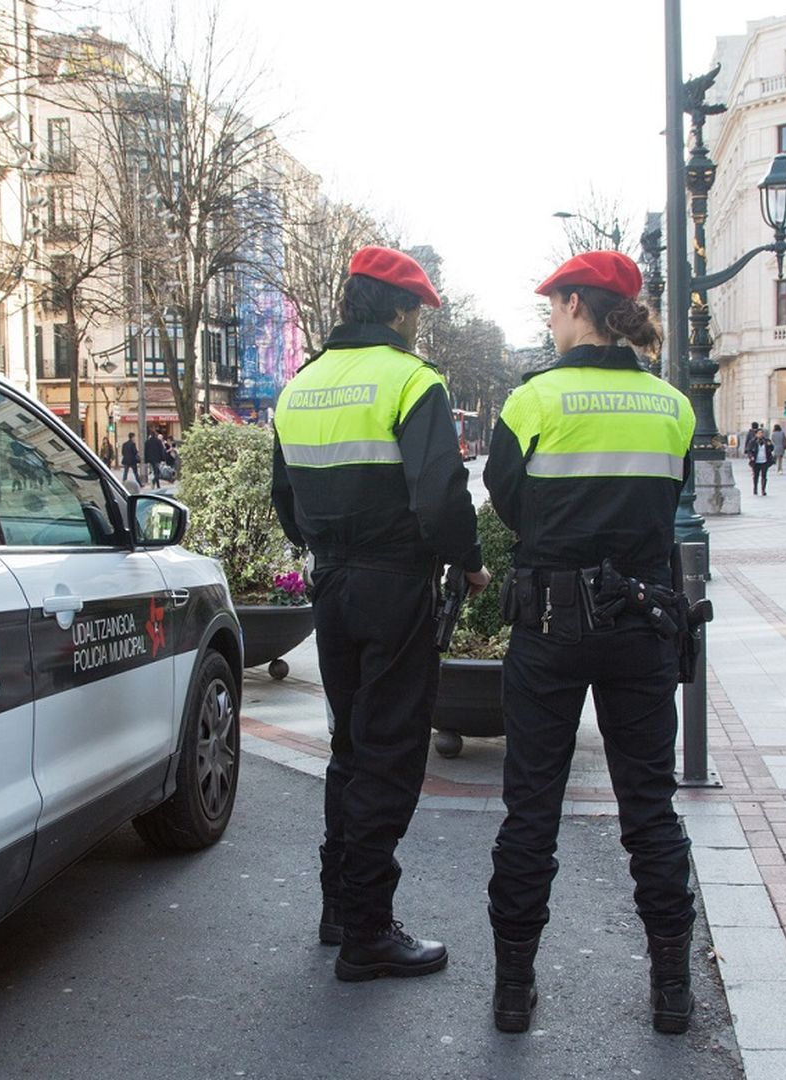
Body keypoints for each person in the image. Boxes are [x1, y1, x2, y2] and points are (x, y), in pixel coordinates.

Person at [484, 250, 697, 1036]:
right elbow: (669, 500)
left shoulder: (533, 397)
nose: (549, 318)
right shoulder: (672, 404)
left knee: (531, 808)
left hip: (548, 624)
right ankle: (672, 988)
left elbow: (508, 503)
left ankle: (513, 990)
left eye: (553, 305)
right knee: (650, 807)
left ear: (578, 306)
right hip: (641, 622)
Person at [271, 245, 486, 981]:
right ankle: (368, 929)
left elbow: (285, 500)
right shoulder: (411, 380)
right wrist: (470, 557)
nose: (420, 326)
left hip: (332, 584)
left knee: (352, 749)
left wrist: (328, 547)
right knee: (392, 754)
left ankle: (338, 907)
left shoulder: (299, 386)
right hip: (396, 585)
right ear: (398, 311)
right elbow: (439, 496)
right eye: (417, 312)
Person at [745, 425, 774, 496]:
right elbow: (749, 450)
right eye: (759, 433)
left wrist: (770, 445)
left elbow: (772, 449)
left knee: (764, 475)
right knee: (756, 475)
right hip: (756, 461)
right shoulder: (753, 441)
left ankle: (763, 490)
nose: (761, 434)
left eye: (762, 433)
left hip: (765, 461)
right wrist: (751, 456)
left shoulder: (767, 441)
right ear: (756, 434)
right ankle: (755, 488)